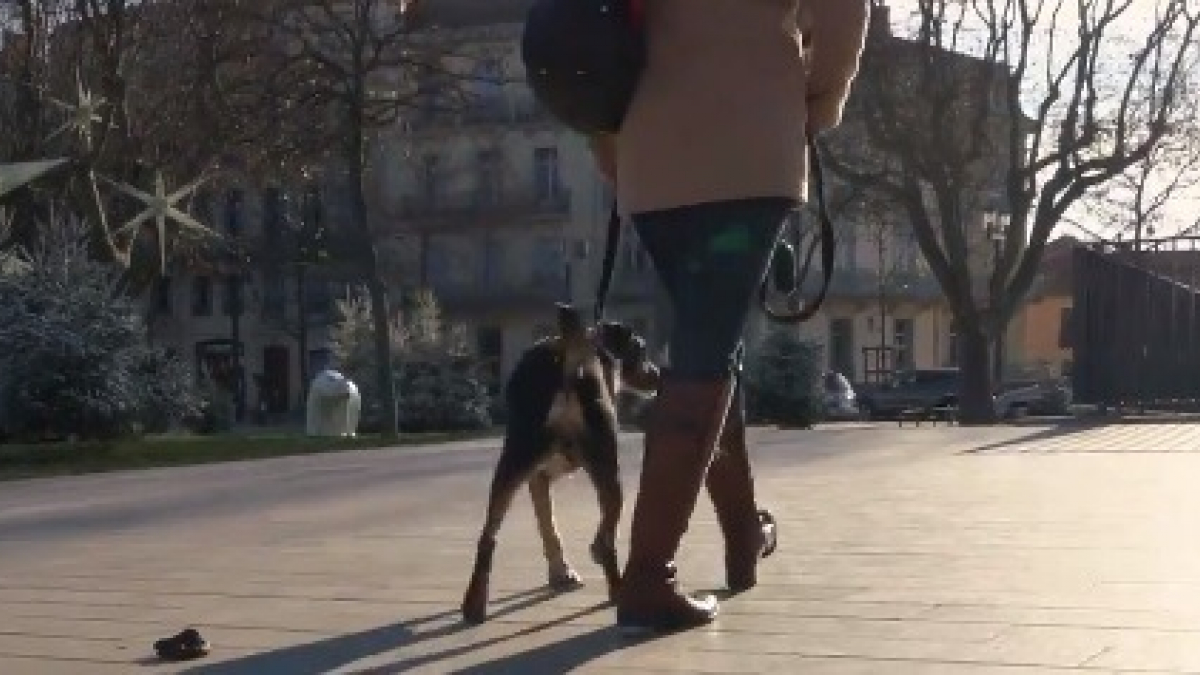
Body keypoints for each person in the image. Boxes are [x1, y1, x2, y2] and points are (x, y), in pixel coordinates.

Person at [589, 0, 871, 633]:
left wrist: (605, 136)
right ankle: (648, 578)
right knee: (705, 357)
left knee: (710, 343)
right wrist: (816, 105)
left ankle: (742, 538)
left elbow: (589, 24)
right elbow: (845, 11)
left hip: (648, 150)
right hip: (749, 148)